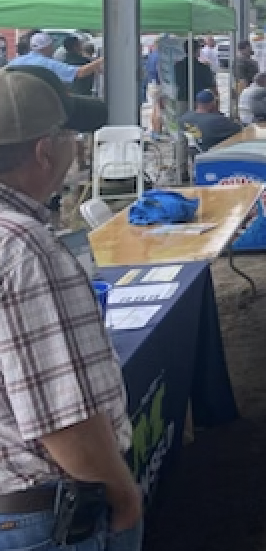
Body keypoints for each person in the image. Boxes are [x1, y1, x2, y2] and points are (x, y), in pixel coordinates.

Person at [0, 67, 142, 548]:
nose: (76, 146)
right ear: (45, 150)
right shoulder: (23, 246)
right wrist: (121, 495)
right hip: (42, 513)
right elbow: (63, 414)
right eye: (69, 134)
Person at [8, 32, 103, 88]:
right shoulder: (48, 64)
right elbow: (79, 73)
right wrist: (102, 60)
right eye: (51, 45)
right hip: (40, 106)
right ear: (47, 47)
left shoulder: (14, 62)